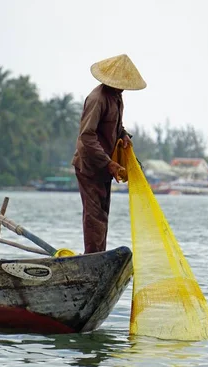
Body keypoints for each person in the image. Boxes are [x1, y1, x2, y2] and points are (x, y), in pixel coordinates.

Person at [71, 54, 146, 254]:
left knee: (102, 214)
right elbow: (87, 136)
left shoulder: (116, 97)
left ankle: (98, 255)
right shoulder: (97, 99)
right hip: (90, 166)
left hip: (104, 168)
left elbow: (116, 125)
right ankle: (93, 258)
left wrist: (124, 135)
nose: (123, 87)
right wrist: (108, 163)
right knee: (94, 215)